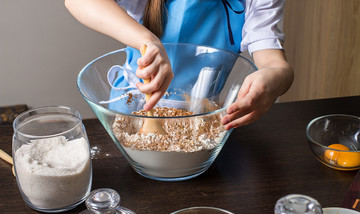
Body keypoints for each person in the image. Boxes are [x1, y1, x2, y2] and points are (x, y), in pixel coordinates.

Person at [65, 0, 294, 130]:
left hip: (200, 118)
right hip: (131, 112)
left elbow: (275, 64)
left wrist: (275, 76)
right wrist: (148, 41)